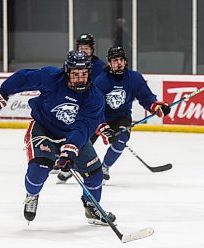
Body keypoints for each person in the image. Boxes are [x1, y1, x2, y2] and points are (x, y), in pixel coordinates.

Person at [0, 50, 117, 226]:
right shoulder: (51, 77)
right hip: (44, 129)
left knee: (94, 174)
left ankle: (92, 207)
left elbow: (84, 127)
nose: (80, 79)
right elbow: (23, 78)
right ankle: (32, 195)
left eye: (84, 74)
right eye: (75, 74)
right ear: (67, 71)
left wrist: (70, 148)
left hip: (72, 135)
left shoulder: (95, 97)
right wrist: (1, 95)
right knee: (39, 170)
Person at [57, 46, 170, 182]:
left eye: (121, 59)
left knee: (121, 139)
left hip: (121, 118)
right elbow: (94, 106)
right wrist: (102, 126)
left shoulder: (134, 78)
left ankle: (105, 168)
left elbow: (146, 97)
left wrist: (155, 106)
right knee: (83, 144)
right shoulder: (101, 81)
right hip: (98, 117)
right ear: (109, 62)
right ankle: (72, 168)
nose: (119, 63)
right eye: (115, 60)